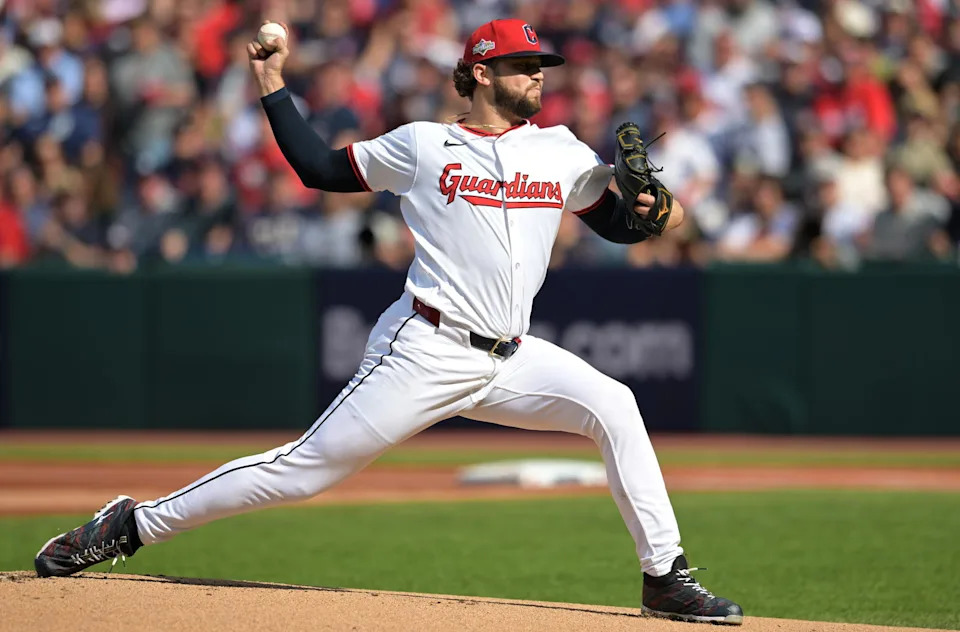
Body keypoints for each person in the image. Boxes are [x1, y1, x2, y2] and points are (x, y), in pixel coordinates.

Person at [34, 19, 743, 626]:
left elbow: (621, 224)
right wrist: (271, 81)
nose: (539, 76)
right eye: (525, 66)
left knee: (615, 404)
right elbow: (317, 168)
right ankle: (131, 524)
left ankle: (664, 579)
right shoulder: (422, 145)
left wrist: (654, 211)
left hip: (511, 356)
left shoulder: (560, 152)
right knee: (302, 472)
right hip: (425, 348)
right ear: (480, 72)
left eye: (541, 66)